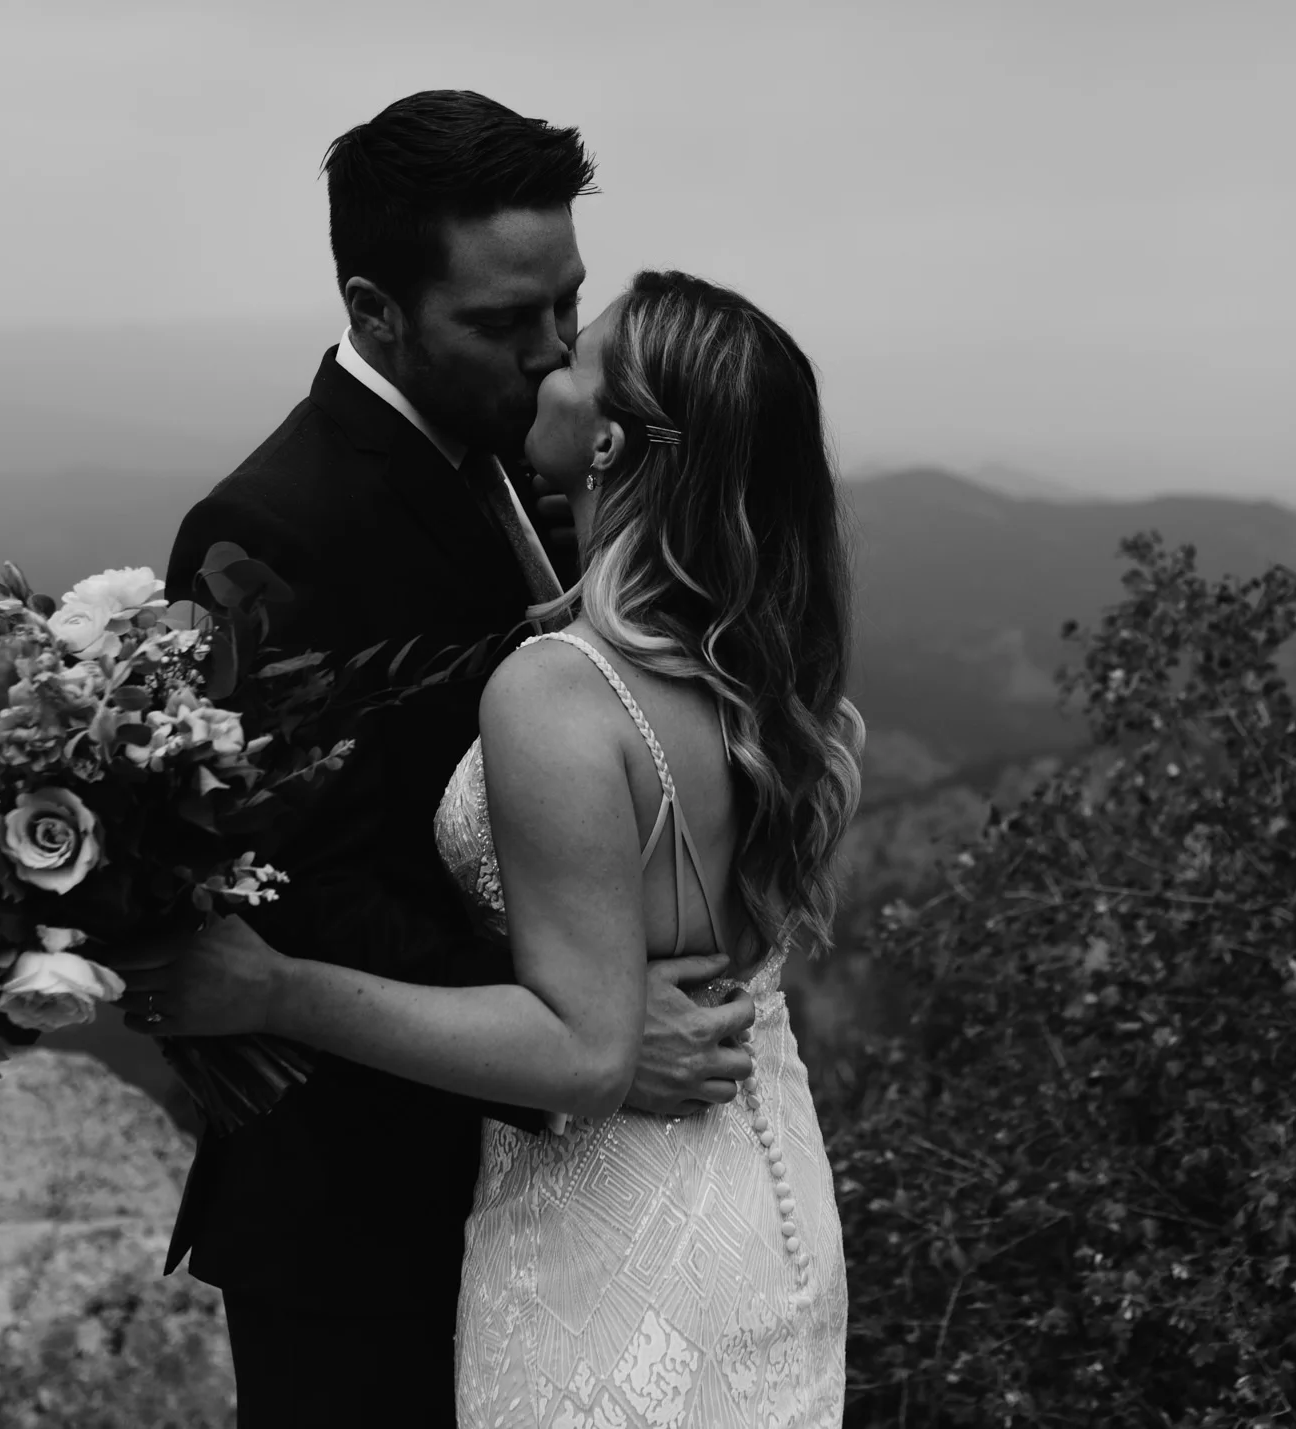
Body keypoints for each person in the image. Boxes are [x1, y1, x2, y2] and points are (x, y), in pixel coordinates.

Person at [126, 268, 861, 1427]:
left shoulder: (560, 692)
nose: (548, 353)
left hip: (606, 1237)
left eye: (578, 347)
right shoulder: (755, 664)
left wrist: (269, 986)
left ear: (611, 439)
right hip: (758, 1198)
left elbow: (581, 1054)